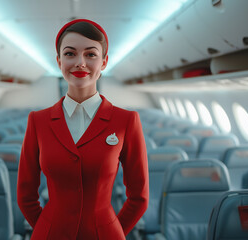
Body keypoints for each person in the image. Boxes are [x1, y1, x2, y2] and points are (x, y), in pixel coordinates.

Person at [17, 19, 149, 240]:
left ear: (104, 62)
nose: (80, 62)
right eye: (70, 54)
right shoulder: (37, 121)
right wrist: (48, 229)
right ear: (59, 61)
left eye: (90, 54)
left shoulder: (126, 121)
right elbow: (25, 195)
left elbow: (139, 197)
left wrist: (111, 231)